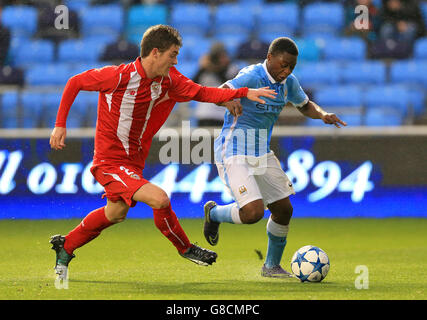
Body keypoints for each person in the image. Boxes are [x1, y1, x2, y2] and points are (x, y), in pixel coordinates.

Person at [48, 24, 276, 280]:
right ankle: (186, 248)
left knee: (115, 213)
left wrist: (234, 96)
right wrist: (59, 125)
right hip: (110, 161)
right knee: (160, 199)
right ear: (155, 52)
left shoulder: (169, 81)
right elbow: (75, 82)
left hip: (133, 162)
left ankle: (66, 245)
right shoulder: (119, 77)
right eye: (173, 54)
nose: (176, 60)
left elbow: (200, 92)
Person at [203, 37, 346, 278]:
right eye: (283, 64)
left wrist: (322, 114)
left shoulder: (289, 82)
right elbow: (219, 91)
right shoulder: (251, 76)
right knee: (253, 214)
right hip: (234, 150)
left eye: (292, 66)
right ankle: (214, 214)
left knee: (283, 210)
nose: (287, 70)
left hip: (261, 153)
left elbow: (304, 104)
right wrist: (228, 101)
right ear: (269, 58)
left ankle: (270, 267)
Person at [193, 42, 239, 127]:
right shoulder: (205, 69)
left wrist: (218, 69)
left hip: (222, 115)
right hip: (204, 114)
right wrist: (202, 68)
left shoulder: (231, 68)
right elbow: (193, 84)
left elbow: (229, 86)